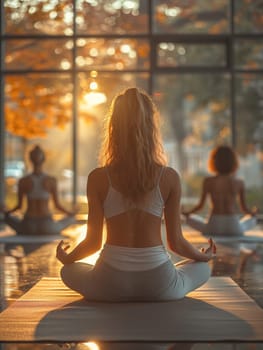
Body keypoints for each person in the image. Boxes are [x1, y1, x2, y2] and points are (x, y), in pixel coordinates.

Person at [56, 87, 216, 302]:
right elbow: (176, 243)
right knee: (203, 269)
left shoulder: (98, 177)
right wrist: (203, 256)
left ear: (113, 128)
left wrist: (67, 258)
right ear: (151, 127)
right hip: (160, 283)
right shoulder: (168, 177)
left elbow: (92, 243)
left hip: (109, 283)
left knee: (68, 271)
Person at [182, 145, 258, 236]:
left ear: (214, 162)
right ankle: (247, 222)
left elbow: (200, 206)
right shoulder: (239, 182)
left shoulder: (208, 181)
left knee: (188, 219)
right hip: (233, 226)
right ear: (233, 162)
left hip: (214, 225)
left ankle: (188, 218)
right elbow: (244, 209)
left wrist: (187, 213)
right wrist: (253, 213)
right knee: (253, 219)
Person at [3, 145, 77, 235]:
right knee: (71, 219)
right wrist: (71, 213)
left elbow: (19, 206)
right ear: (44, 159)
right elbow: (57, 206)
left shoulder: (23, 181)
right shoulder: (51, 180)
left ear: (30, 159)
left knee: (6, 218)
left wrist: (7, 212)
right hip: (47, 225)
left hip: (28, 225)